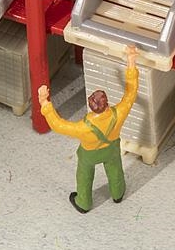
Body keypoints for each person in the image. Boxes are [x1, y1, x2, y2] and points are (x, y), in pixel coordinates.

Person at [37, 44, 139, 214]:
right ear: (106, 103)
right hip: (112, 149)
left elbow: (59, 125)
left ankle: (83, 202)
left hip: (89, 154)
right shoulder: (118, 113)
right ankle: (118, 193)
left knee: (84, 175)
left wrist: (45, 103)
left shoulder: (83, 127)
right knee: (115, 170)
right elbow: (130, 94)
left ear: (91, 107)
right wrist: (131, 62)